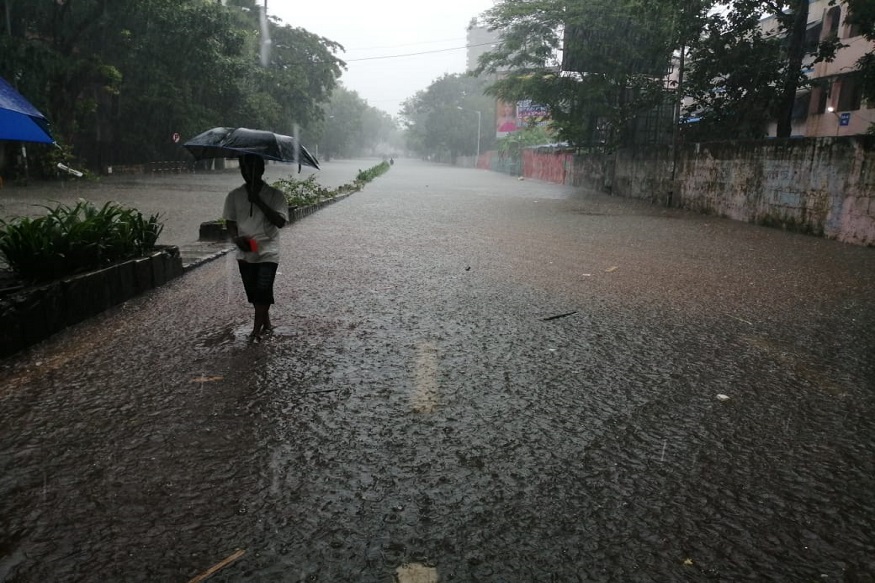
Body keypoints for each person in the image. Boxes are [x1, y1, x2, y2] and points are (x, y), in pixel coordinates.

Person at [223, 154, 289, 339]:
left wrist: (258, 201)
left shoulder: (276, 195)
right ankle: (266, 322)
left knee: (263, 288)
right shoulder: (234, 196)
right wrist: (236, 238)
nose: (248, 172)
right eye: (244, 168)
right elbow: (230, 220)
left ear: (262, 169)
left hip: (268, 249)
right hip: (247, 248)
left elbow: (280, 221)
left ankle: (255, 331)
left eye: (252, 168)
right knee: (253, 292)